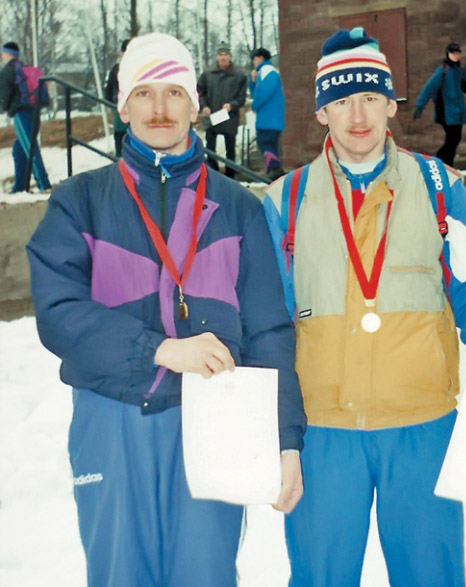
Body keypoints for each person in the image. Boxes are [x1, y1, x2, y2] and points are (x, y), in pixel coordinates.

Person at [26, 32, 305, 587]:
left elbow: (270, 329)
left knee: (205, 574)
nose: (159, 109)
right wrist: (157, 349)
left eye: (174, 92)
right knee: (118, 575)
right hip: (112, 416)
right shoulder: (79, 201)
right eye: (145, 93)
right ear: (123, 103)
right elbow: (58, 311)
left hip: (216, 420)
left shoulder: (238, 208)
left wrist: (286, 437)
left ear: (196, 105)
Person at [262, 27, 466, 586]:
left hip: (422, 426)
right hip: (323, 431)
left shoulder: (437, 185)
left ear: (390, 104)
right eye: (340, 101)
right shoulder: (285, 200)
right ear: (320, 114)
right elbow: (266, 321)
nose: (356, 115)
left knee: (430, 575)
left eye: (368, 98)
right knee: (320, 577)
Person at [0, 41, 51, 193]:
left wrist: (2, 108)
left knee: (30, 148)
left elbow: (4, 94)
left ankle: (44, 185)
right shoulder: (24, 68)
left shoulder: (7, 71)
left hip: (21, 113)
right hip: (34, 110)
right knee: (19, 150)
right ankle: (20, 186)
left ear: (6, 54)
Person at [413, 42, 466, 166]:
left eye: (457, 53)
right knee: (452, 140)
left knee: (455, 140)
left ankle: (447, 165)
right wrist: (419, 106)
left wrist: (465, 83)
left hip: (458, 113)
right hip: (447, 113)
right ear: (448, 54)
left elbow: (464, 89)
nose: (455, 56)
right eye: (453, 53)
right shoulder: (443, 71)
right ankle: (438, 163)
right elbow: (429, 88)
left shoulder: (460, 70)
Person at [197, 42, 247, 178]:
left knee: (230, 148)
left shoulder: (239, 75)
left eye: (225, 54)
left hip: (229, 117)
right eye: (220, 54)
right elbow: (200, 92)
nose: (223, 57)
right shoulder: (207, 74)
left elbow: (242, 97)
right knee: (210, 147)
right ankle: (212, 174)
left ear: (230, 56)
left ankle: (231, 176)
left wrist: (232, 105)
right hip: (212, 117)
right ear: (217, 57)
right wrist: (204, 106)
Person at [249, 47, 285, 180]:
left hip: (268, 119)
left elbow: (263, 92)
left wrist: (254, 105)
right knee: (270, 146)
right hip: (271, 119)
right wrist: (252, 82)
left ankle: (274, 170)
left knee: (265, 143)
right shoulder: (265, 73)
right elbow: (256, 92)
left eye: (254, 59)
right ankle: (273, 171)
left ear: (260, 58)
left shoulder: (267, 71)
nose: (254, 62)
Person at [104, 38, 130, 157]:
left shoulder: (119, 69)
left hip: (127, 109)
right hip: (120, 108)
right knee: (121, 137)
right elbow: (109, 89)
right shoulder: (117, 69)